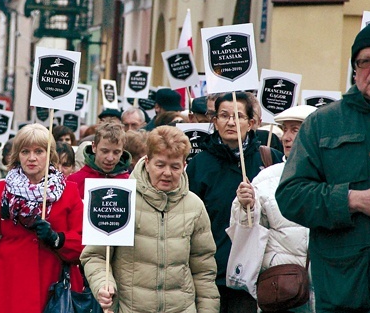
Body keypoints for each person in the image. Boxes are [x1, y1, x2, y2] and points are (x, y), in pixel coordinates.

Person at [276, 17, 370, 312]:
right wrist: (353, 199)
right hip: (346, 289)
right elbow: (291, 195)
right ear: (354, 70)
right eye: (365, 61)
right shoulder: (323, 123)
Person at [81, 126, 220, 313]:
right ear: (147, 162)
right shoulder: (121, 198)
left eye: (175, 166)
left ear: (184, 165)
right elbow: (95, 255)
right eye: (160, 165)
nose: (167, 173)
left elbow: (203, 270)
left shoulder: (194, 206)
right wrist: (103, 285)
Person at [0, 123, 84, 313]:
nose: (32, 158)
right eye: (25, 151)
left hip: (53, 287)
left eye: (39, 151)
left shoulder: (69, 192)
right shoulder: (1, 190)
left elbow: (82, 244)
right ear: (17, 155)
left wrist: (57, 239)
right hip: (9, 285)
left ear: (50, 154)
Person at [187, 91, 283, 312]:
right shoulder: (199, 165)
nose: (230, 122)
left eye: (238, 116)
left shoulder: (270, 160)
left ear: (251, 123)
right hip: (211, 275)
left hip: (256, 276)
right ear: (215, 121)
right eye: (223, 115)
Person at [232, 105, 317, 312]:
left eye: (295, 130)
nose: (286, 137)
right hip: (281, 288)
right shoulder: (267, 177)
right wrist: (246, 207)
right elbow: (246, 230)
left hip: (323, 288)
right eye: (284, 129)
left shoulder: (335, 176)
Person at [67, 121, 131, 198]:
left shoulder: (129, 182)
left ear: (123, 151)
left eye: (116, 152)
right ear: (94, 147)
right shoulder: (74, 181)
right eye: (105, 151)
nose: (110, 158)